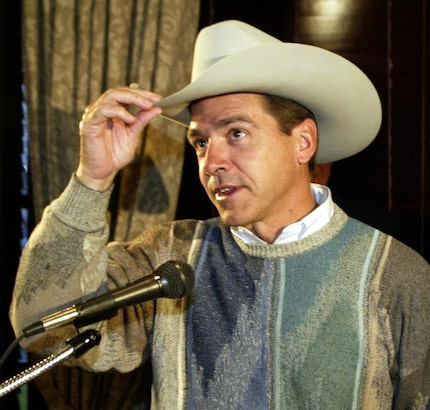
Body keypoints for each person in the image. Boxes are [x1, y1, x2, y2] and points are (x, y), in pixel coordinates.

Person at [9, 20, 430, 409]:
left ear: (303, 142)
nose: (212, 163)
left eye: (237, 133)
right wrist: (92, 179)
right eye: (201, 143)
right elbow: (44, 326)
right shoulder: (167, 261)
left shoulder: (394, 274)